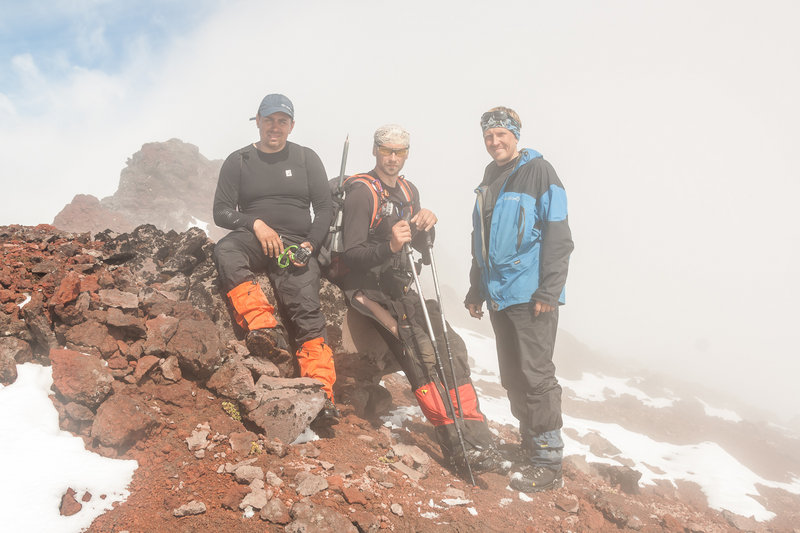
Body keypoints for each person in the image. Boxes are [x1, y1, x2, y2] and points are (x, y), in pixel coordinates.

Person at [340, 124, 506, 475]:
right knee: (420, 352)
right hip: (367, 291)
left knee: (452, 346)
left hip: (400, 286)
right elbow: (350, 254)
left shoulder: (407, 190)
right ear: (375, 151)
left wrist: (426, 228)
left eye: (400, 151)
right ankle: (454, 442)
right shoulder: (361, 193)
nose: (392, 158)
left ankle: (478, 439)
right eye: (387, 150)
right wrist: (390, 246)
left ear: (407, 154)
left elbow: (417, 245)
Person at [212, 93, 339, 425]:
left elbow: (325, 209)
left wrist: (310, 245)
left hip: (295, 246)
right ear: (257, 121)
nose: (275, 127)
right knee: (226, 250)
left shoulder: (305, 158)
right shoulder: (239, 161)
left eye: (282, 121)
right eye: (269, 119)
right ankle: (265, 329)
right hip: (254, 239)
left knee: (306, 307)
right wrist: (254, 223)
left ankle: (322, 393)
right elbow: (221, 212)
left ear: (292, 125)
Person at [465, 106, 574, 491]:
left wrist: (549, 289)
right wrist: (476, 287)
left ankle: (548, 460)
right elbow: (482, 240)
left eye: (501, 135)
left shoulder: (540, 172)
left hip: (531, 295)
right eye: (488, 136)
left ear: (516, 135)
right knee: (513, 376)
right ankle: (530, 447)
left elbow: (559, 237)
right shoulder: (490, 177)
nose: (495, 142)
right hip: (499, 295)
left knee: (536, 375)